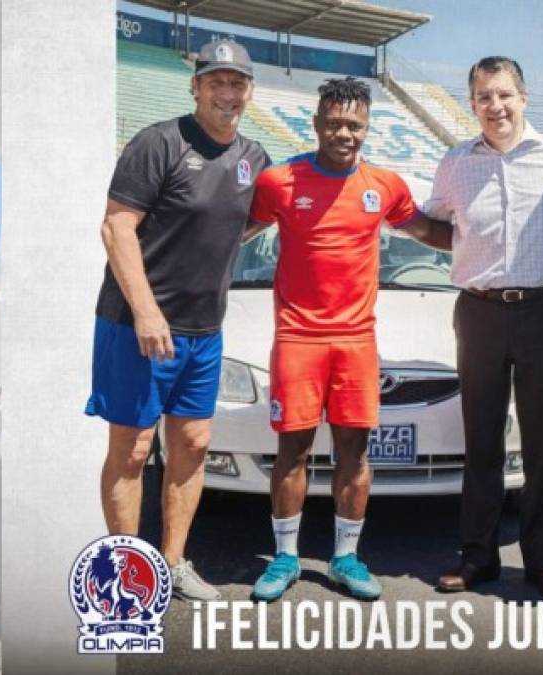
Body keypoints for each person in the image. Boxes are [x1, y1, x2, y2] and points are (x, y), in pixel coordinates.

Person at [85, 39, 270, 602]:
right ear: (195, 87)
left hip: (203, 332)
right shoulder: (159, 143)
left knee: (192, 444)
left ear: (248, 92)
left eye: (237, 83)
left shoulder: (254, 158)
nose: (227, 92)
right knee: (134, 450)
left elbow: (243, 224)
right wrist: (145, 311)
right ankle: (124, 572)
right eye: (216, 81)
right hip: (137, 327)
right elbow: (116, 228)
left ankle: (172, 563)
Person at [245, 77, 442, 602]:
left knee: (354, 450)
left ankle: (345, 558)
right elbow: (227, 235)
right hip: (297, 338)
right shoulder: (279, 182)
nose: (344, 133)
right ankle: (285, 557)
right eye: (333, 122)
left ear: (367, 127)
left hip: (356, 342)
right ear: (316, 124)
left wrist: (497, 239)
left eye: (354, 124)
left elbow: (430, 234)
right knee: (294, 447)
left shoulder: (386, 186)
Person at [402, 56, 543, 599]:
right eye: (484, 96)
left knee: (541, 446)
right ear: (473, 104)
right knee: (481, 441)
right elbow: (438, 224)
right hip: (479, 311)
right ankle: (478, 557)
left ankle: (541, 561)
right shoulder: (457, 162)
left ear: (523, 97)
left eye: (504, 94)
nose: (495, 106)